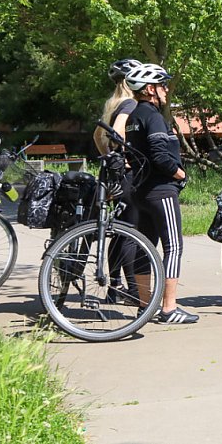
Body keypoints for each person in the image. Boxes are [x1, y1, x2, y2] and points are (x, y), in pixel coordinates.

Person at [124, 63, 197, 324]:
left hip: (141, 191)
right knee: (173, 247)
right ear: (149, 89)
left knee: (145, 247)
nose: (166, 89)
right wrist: (180, 174)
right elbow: (159, 155)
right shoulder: (153, 116)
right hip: (161, 191)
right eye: (162, 85)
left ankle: (145, 307)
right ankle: (169, 308)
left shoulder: (134, 117)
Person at [93, 58, 142, 305]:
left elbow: (97, 136)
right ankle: (133, 291)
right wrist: (124, 158)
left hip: (112, 177)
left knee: (119, 231)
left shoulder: (112, 104)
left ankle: (114, 288)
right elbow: (119, 130)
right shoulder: (130, 103)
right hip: (126, 177)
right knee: (130, 232)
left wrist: (108, 157)